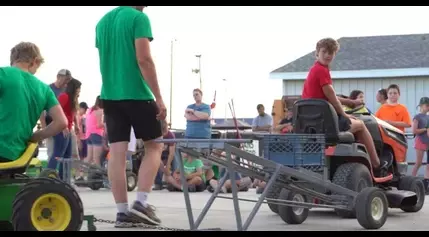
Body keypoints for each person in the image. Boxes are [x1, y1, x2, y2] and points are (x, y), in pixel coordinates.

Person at [96, 6, 166, 227]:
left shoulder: (103, 22)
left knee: (117, 153)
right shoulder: (139, 18)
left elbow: (109, 57)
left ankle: (122, 212)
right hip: (136, 93)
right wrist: (159, 97)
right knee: (155, 146)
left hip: (110, 95)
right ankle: (141, 203)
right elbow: (144, 59)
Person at [301, 37, 386, 174]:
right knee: (361, 124)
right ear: (317, 53)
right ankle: (377, 164)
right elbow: (332, 97)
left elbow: (328, 95)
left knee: (353, 121)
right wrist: (344, 114)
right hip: (325, 125)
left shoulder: (314, 70)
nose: (328, 55)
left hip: (314, 123)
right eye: (324, 52)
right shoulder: (322, 70)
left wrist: (351, 102)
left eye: (331, 52)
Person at [0, 42, 67, 163]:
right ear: (35, 61)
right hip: (17, 157)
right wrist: (34, 137)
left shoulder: (3, 74)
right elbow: (62, 122)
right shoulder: (44, 89)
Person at [47, 78, 82, 181]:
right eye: (79, 88)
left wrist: (76, 125)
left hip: (68, 129)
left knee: (67, 157)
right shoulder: (64, 96)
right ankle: (47, 177)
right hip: (61, 129)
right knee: (58, 154)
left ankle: (64, 179)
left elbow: (72, 113)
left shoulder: (73, 99)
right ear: (74, 88)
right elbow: (55, 112)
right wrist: (63, 126)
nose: (80, 90)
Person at [184, 88, 215, 187]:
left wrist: (193, 112)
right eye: (194, 95)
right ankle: (192, 181)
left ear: (201, 95)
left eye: (197, 94)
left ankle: (203, 181)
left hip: (203, 137)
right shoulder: (189, 106)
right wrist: (198, 116)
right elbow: (188, 117)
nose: (195, 96)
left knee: (204, 161)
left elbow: (205, 116)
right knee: (189, 159)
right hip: (190, 137)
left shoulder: (206, 106)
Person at [39, 69, 73, 158]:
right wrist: (44, 128)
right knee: (52, 153)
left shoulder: (67, 90)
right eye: (66, 79)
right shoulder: (48, 89)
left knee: (67, 155)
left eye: (69, 80)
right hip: (51, 124)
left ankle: (62, 172)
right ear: (58, 77)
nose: (67, 82)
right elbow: (41, 110)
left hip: (65, 126)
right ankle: (50, 171)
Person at [411, 97, 429, 187]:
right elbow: (414, 131)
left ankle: (426, 182)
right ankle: (412, 180)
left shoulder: (428, 117)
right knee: (419, 162)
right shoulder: (417, 117)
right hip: (420, 141)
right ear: (421, 106)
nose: (428, 107)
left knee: (428, 163)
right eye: (427, 105)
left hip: (427, 141)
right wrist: (425, 129)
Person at [153, 120, 176, 190]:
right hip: (158, 155)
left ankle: (173, 181)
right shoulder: (155, 136)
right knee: (155, 163)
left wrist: (168, 165)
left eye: (166, 131)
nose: (165, 133)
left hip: (168, 155)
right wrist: (162, 167)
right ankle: (158, 183)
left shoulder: (171, 135)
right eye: (163, 132)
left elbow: (172, 153)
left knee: (176, 162)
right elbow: (155, 153)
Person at [85, 96, 105, 167]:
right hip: (96, 135)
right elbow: (99, 125)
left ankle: (80, 173)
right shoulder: (100, 111)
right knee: (97, 158)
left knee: (89, 157)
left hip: (88, 135)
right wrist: (106, 124)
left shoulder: (90, 110)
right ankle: (99, 175)